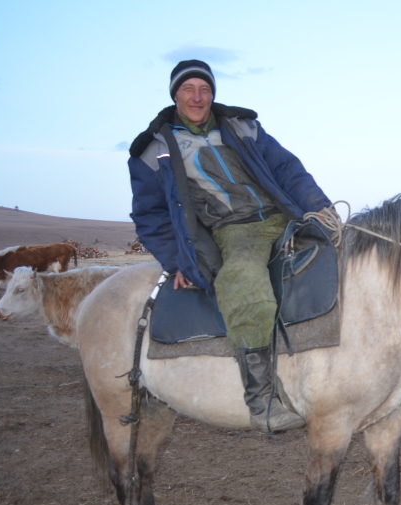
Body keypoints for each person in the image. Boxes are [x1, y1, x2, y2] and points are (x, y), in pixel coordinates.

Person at [128, 60, 332, 432]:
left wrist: (318, 206)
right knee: (245, 285)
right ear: (175, 95)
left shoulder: (243, 126)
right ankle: (261, 400)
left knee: (345, 254)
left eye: (204, 89)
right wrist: (179, 263)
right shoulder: (151, 151)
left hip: (283, 215)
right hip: (236, 231)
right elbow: (151, 215)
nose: (197, 96)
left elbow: (287, 169)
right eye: (188, 89)